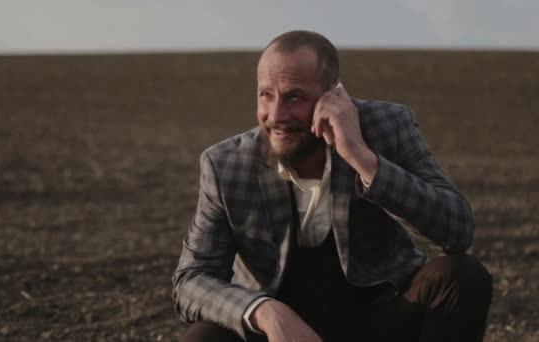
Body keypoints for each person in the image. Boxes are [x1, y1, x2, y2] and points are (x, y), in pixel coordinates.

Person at [172, 30, 492, 342]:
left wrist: (362, 158)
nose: (276, 115)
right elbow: (192, 278)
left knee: (462, 276)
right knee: (203, 337)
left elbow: (457, 230)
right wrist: (263, 311)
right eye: (266, 94)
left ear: (333, 94)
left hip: (377, 319)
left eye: (295, 96)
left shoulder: (387, 126)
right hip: (280, 333)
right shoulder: (225, 164)